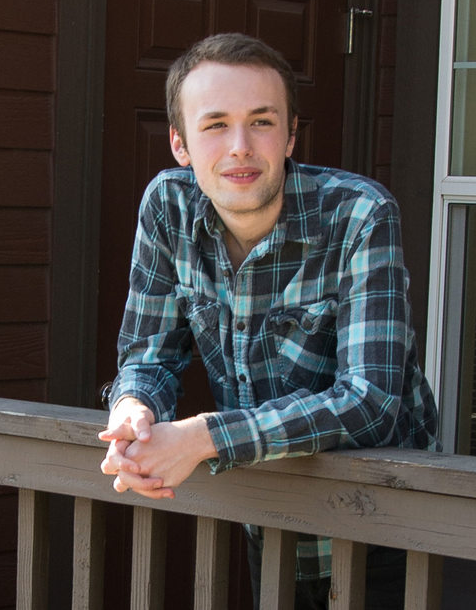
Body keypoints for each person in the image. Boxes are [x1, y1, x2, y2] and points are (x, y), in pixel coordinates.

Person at [97, 33, 439, 609]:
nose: (240, 147)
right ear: (180, 143)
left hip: (381, 520)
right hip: (272, 512)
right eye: (215, 125)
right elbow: (150, 354)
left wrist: (203, 437)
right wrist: (134, 409)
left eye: (261, 121)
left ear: (290, 136)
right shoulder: (168, 207)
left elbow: (372, 401)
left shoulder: (360, 214)